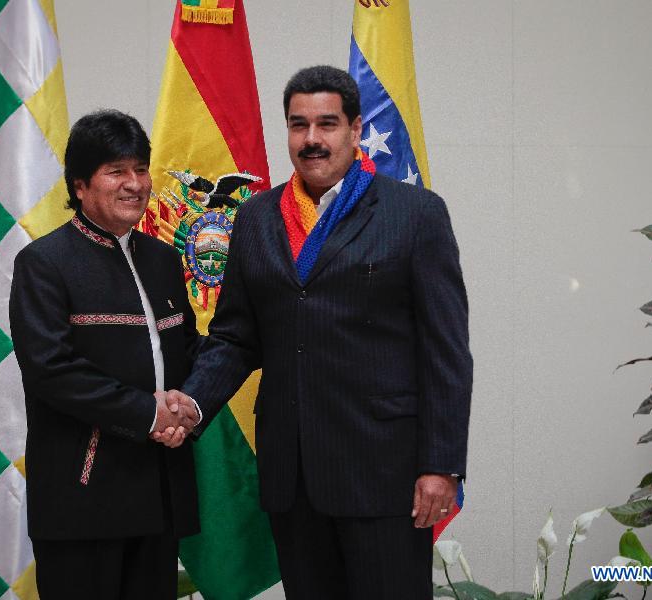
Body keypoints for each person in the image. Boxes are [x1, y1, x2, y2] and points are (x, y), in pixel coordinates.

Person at [159, 66, 473, 599]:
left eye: (327, 124)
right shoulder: (257, 217)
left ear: (355, 129)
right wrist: (191, 403)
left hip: (384, 475)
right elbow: (236, 337)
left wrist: (440, 465)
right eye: (298, 124)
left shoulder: (415, 214)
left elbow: (445, 352)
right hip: (292, 477)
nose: (312, 140)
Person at [9, 109, 201, 600]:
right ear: (79, 186)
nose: (134, 184)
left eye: (140, 169)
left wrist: (190, 405)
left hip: (160, 494)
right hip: (83, 499)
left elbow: (186, 352)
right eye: (116, 171)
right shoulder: (44, 264)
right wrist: (148, 414)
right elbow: (53, 372)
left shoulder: (163, 260)